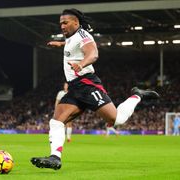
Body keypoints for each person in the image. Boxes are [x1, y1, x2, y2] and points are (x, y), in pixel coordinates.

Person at [30, 9, 159, 170]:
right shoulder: (70, 37)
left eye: (65, 23)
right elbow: (72, 45)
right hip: (75, 88)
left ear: (76, 22)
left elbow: (93, 53)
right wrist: (61, 45)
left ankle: (137, 96)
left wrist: (81, 64)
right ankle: (55, 157)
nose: (62, 26)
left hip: (87, 85)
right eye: (60, 23)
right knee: (56, 121)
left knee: (116, 120)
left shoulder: (84, 36)